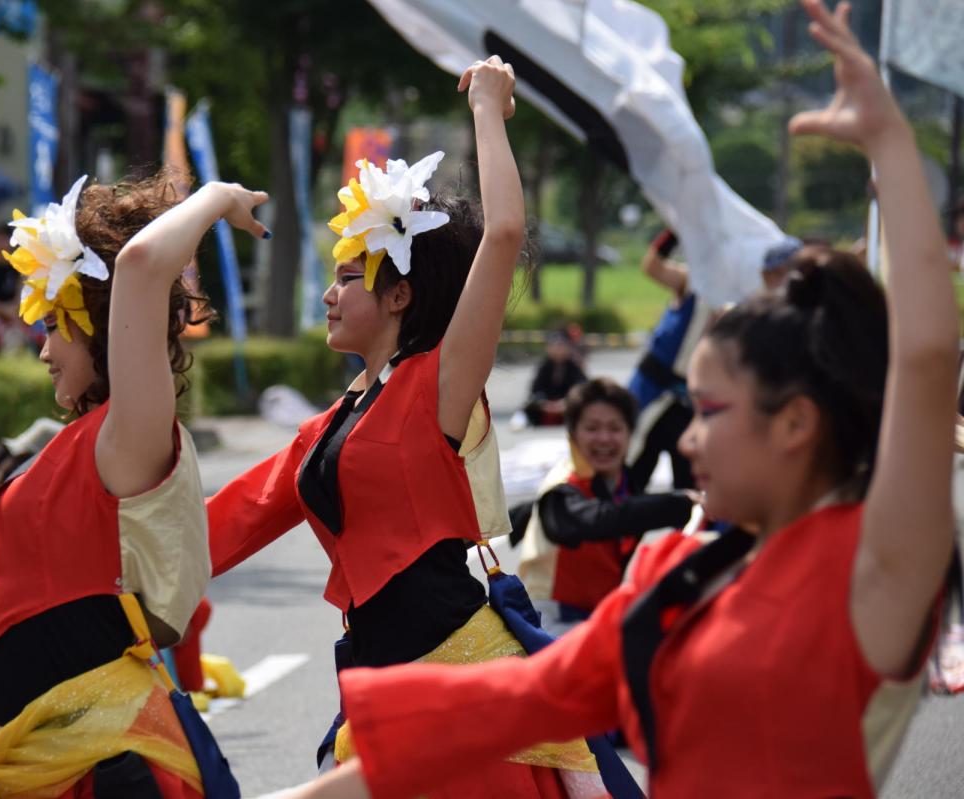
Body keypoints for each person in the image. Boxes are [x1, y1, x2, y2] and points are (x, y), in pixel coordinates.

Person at [287, 3, 960, 797]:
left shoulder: (872, 567)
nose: (689, 441)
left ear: (796, 422)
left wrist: (891, 143)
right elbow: (515, 698)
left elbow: (922, 357)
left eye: (709, 413)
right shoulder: (673, 570)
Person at [207, 58, 610, 797]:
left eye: (349, 278)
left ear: (399, 294)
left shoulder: (440, 383)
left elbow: (506, 231)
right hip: (381, 691)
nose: (329, 295)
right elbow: (214, 529)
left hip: (464, 680)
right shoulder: (325, 429)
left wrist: (488, 105)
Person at [0, 169, 265, 798]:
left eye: (55, 328)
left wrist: (219, 197)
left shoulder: (129, 436)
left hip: (95, 768)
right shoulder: (70, 446)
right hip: (7, 760)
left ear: (103, 329)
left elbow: (138, 265)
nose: (43, 351)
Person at [626, 230, 801, 491]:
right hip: (653, 388)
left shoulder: (750, 300)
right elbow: (653, 267)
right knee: (630, 470)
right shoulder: (693, 281)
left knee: (690, 482)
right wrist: (678, 228)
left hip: (691, 400)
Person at [518, 379, 694, 634]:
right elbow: (596, 519)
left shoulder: (623, 482)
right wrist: (681, 504)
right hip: (549, 623)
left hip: (598, 617)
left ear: (629, 434)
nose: (604, 438)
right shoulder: (561, 489)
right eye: (592, 428)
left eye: (615, 428)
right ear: (572, 433)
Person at [520, 328, 587, 427]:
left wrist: (564, 403)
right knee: (529, 407)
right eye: (554, 346)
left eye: (561, 346)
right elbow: (536, 389)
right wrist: (545, 403)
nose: (557, 350)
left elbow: (581, 388)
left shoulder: (574, 367)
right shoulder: (544, 367)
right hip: (546, 406)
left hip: (566, 406)